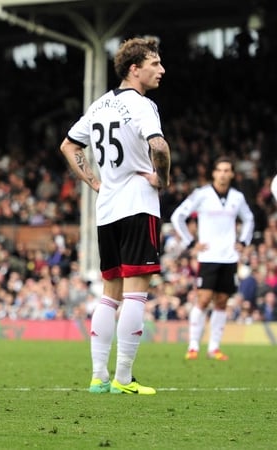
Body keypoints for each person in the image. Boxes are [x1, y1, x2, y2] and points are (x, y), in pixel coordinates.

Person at [60, 37, 171, 395]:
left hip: (106, 209)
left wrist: (94, 181)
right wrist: (162, 180)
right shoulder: (142, 105)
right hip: (138, 204)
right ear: (134, 69)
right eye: (155, 63)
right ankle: (123, 377)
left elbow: (68, 144)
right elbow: (159, 146)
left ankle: (98, 377)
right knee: (137, 292)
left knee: (110, 292)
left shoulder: (99, 106)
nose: (162, 70)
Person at [170, 156, 253, 360]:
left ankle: (214, 347)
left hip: (229, 257)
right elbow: (177, 216)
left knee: (222, 301)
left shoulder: (237, 197)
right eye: (220, 170)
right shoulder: (202, 194)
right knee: (204, 299)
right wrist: (190, 243)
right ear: (214, 173)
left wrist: (243, 242)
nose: (224, 174)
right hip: (208, 256)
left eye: (227, 170)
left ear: (232, 174)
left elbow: (249, 219)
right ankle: (193, 345)